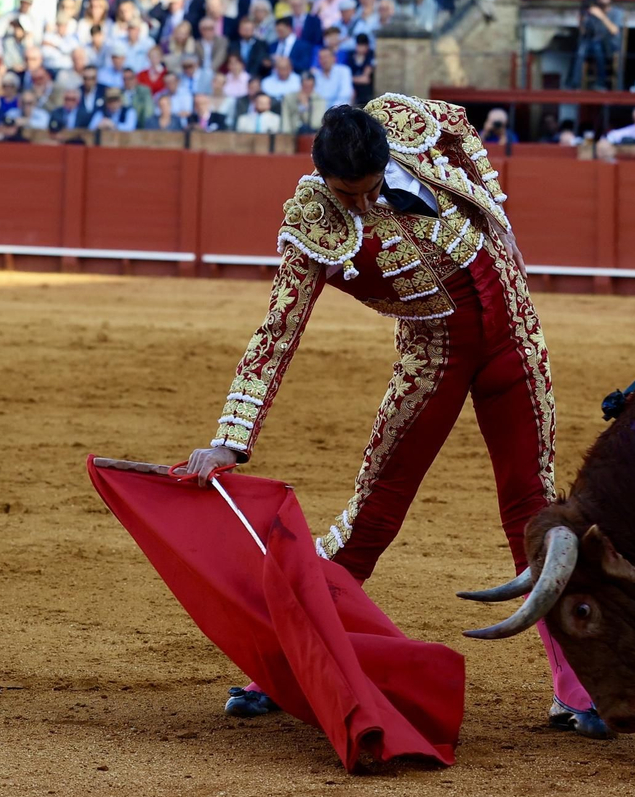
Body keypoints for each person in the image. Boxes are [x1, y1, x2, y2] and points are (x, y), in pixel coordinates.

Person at [182, 98, 606, 737]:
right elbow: (279, 329)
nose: (357, 206)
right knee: (372, 515)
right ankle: (284, 664)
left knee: (535, 508)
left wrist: (496, 214)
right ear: (322, 175)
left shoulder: (406, 121)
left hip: (513, 336)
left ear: (386, 158)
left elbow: (462, 132)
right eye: (344, 194)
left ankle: (581, 687)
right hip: (431, 358)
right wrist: (229, 440)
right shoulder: (311, 222)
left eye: (369, 189)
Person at [568, 0, 623, 90]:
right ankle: (575, 83)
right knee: (582, 47)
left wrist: (601, 16)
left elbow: (614, 30)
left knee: (596, 46)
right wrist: (582, 19)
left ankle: (601, 82)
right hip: (594, 43)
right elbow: (585, 32)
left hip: (610, 45)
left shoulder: (616, 12)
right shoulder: (592, 12)